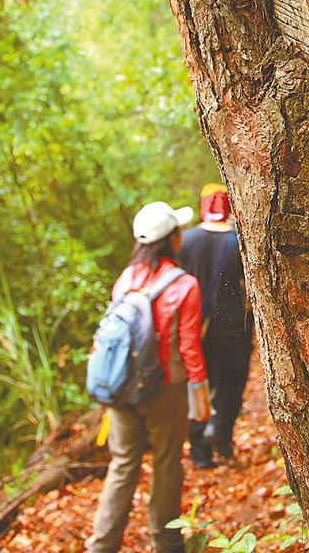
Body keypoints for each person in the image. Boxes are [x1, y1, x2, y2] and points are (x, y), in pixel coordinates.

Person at [86, 201, 210, 553]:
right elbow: (188, 345)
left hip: (122, 388)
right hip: (165, 388)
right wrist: (199, 392)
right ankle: (167, 541)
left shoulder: (125, 279)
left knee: (123, 464)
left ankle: (101, 545)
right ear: (172, 239)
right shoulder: (184, 284)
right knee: (167, 462)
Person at [180, 183, 253, 469]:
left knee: (198, 383)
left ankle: (199, 451)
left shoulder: (185, 241)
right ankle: (221, 433)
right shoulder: (239, 241)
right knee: (231, 382)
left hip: (194, 326)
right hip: (233, 325)